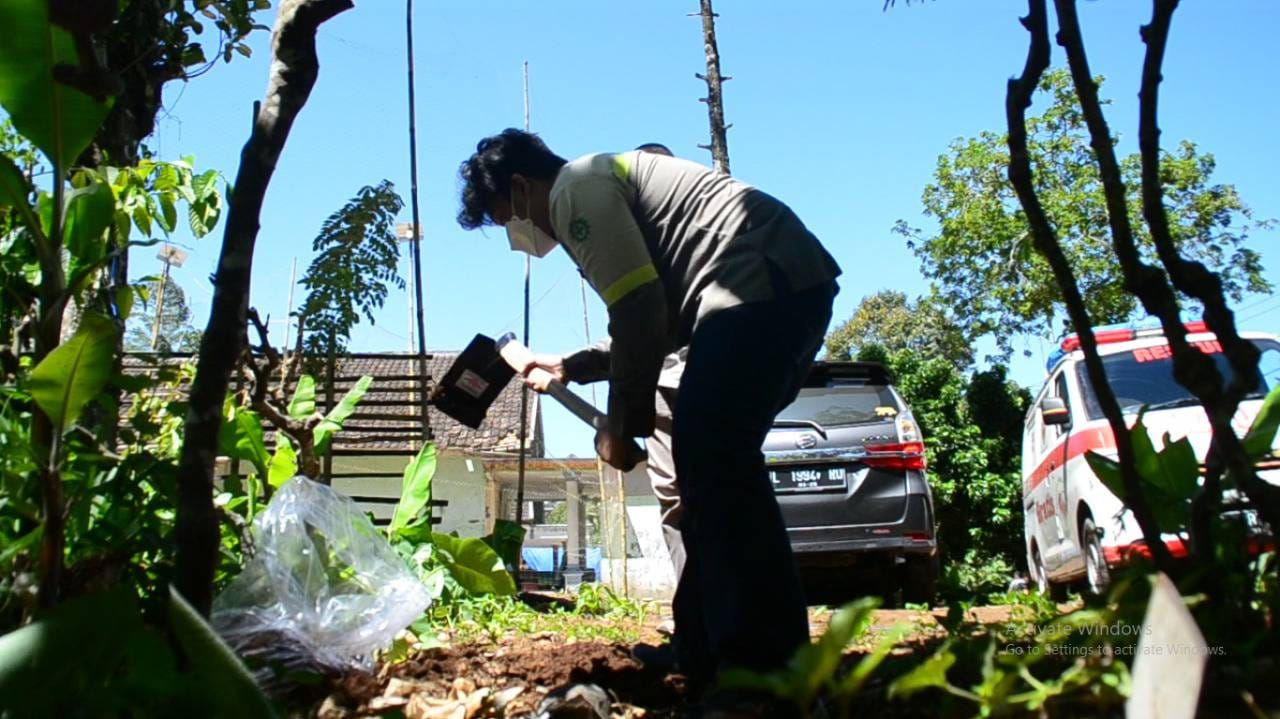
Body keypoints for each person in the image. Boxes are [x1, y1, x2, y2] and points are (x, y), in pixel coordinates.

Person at [456, 129, 841, 705]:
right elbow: (657, 322)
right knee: (704, 473)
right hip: (767, 289)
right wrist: (571, 366)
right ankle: (707, 651)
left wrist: (620, 423)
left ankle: (767, 668)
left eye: (504, 216)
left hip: (762, 284)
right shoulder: (591, 184)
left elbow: (637, 312)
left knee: (714, 459)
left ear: (519, 185)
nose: (516, 234)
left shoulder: (573, 190)